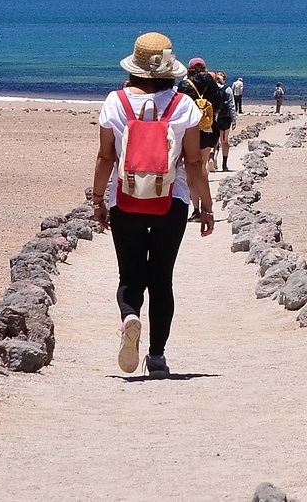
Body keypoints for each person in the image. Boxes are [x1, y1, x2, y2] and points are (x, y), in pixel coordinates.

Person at [89, 31, 214, 379]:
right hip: (171, 200)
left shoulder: (115, 102)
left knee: (130, 275)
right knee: (162, 279)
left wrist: (99, 200)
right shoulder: (183, 105)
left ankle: (130, 317)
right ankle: (157, 357)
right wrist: (206, 206)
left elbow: (104, 157)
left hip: (125, 199)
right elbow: (193, 164)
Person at [179, 55, 231, 174]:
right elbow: (219, 103)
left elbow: (179, 106)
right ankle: (202, 186)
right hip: (208, 125)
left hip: (189, 127)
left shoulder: (185, 84)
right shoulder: (212, 84)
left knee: (189, 162)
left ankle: (191, 191)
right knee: (204, 161)